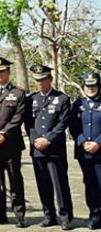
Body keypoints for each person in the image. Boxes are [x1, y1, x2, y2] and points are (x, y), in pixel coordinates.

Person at [25, 64, 73, 230]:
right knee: (43, 184)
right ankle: (49, 215)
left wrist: (48, 139)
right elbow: (28, 123)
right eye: (37, 80)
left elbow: (62, 123)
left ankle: (65, 217)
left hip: (54, 149)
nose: (40, 82)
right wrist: (35, 140)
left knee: (59, 184)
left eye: (43, 79)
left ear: (50, 79)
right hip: (37, 148)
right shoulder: (31, 99)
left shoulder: (62, 99)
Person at [0, 56, 26, 227]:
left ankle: (19, 215)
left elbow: (18, 117)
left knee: (15, 178)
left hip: (11, 143)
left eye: (2, 71)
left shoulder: (18, 93)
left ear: (8, 72)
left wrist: (3, 134)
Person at [70, 73, 101, 230]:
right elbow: (73, 126)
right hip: (85, 152)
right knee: (90, 183)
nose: (90, 88)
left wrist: (98, 142)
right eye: (87, 86)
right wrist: (82, 141)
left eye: (93, 85)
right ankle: (94, 215)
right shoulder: (77, 104)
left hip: (100, 151)